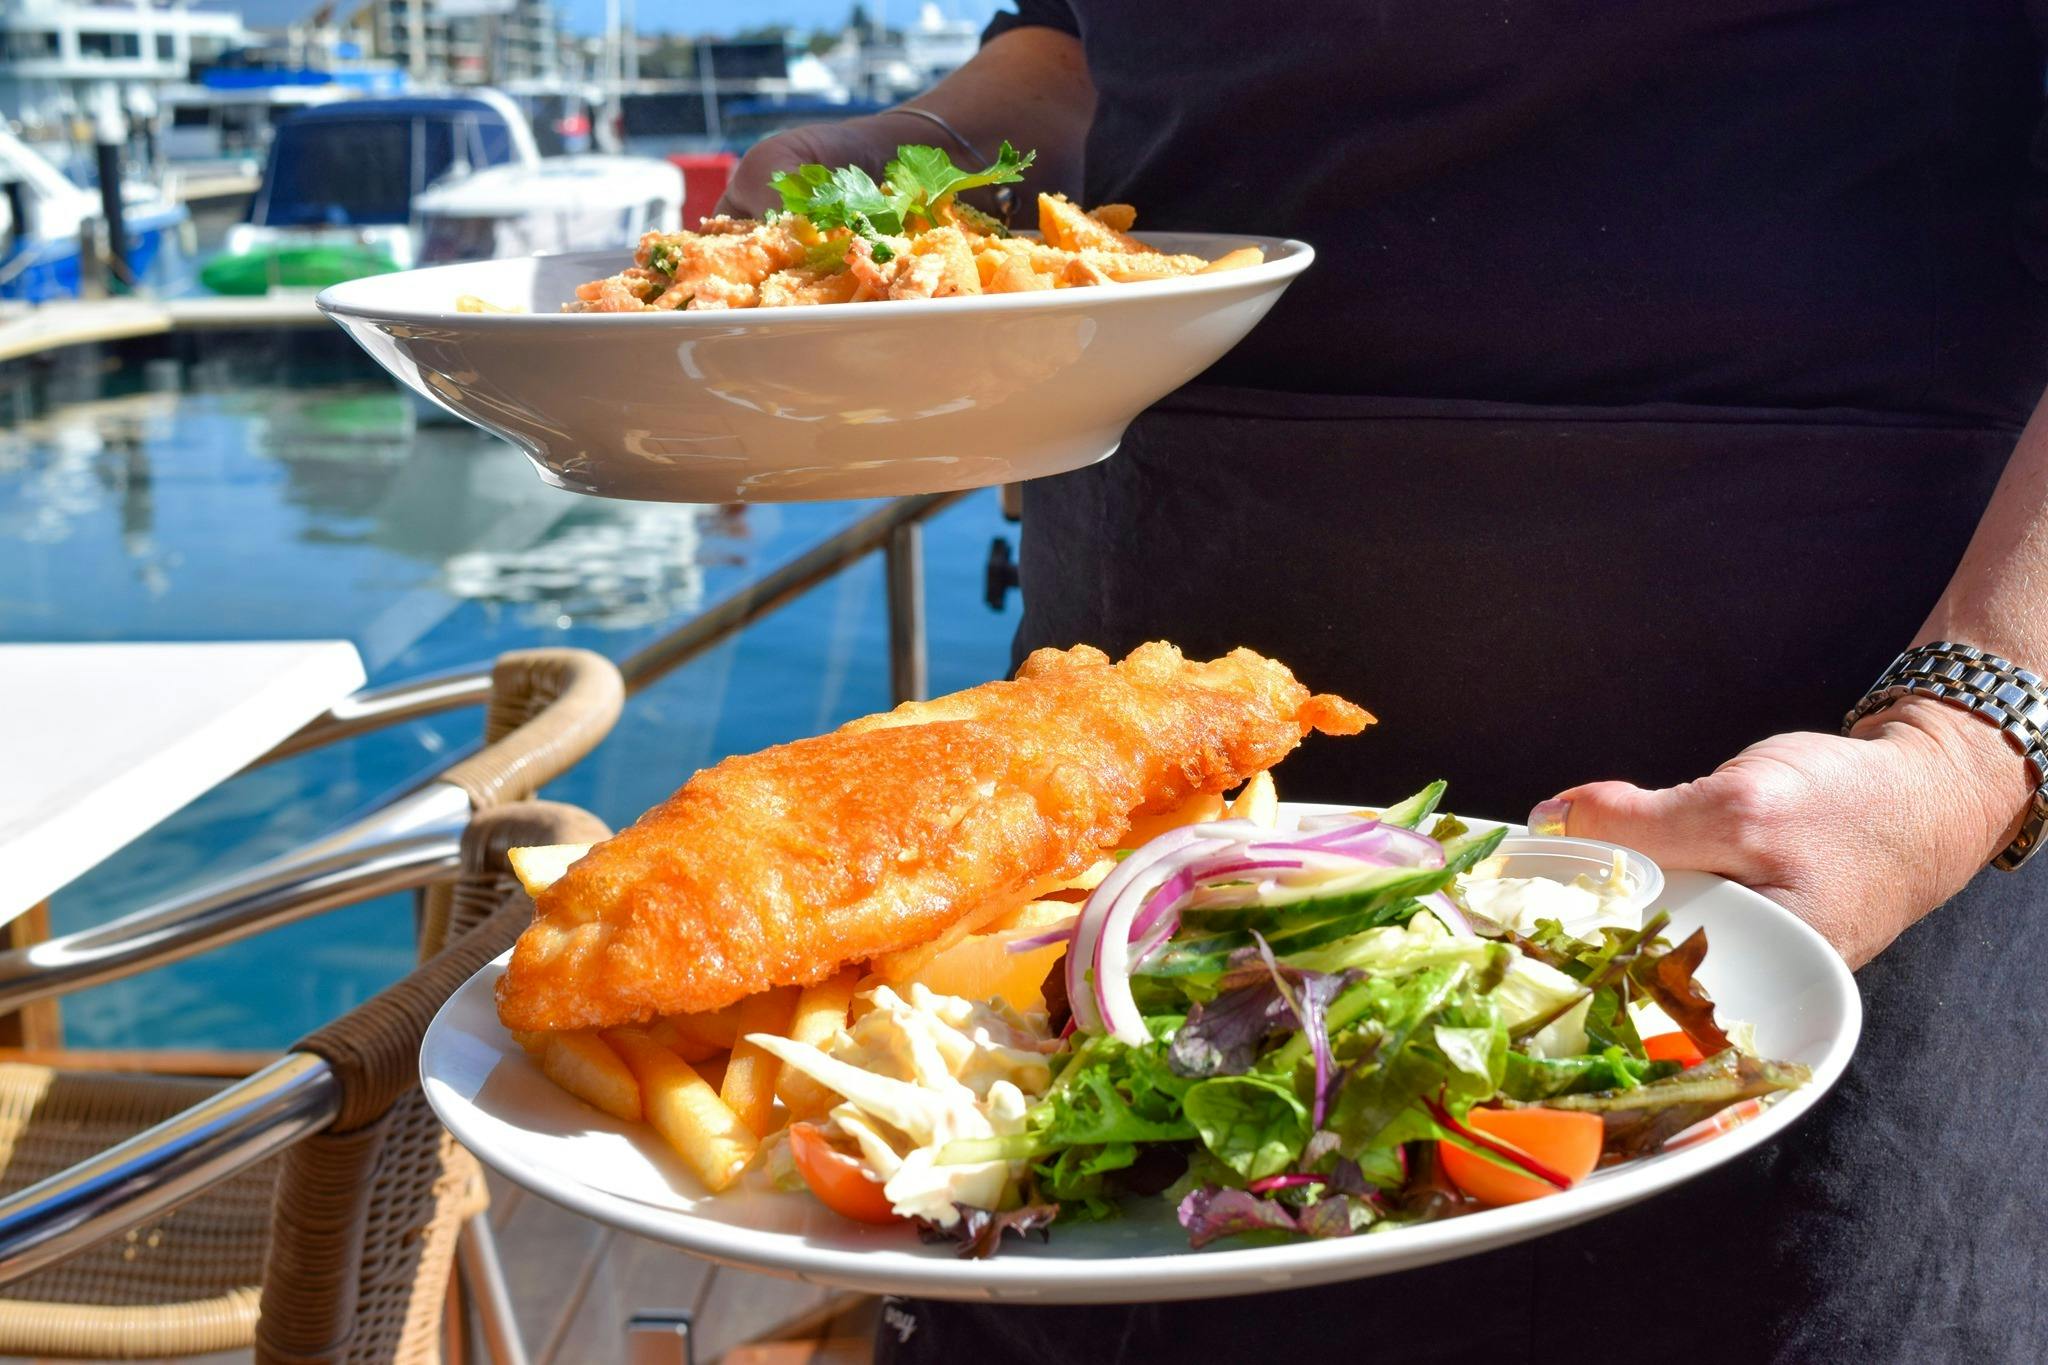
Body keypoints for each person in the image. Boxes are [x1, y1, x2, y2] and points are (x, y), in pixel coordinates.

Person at [718, 5, 2048, 1359]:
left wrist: (1962, 747)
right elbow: (1076, 57)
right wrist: (919, 151)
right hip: (1140, 768)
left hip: (1815, 806)